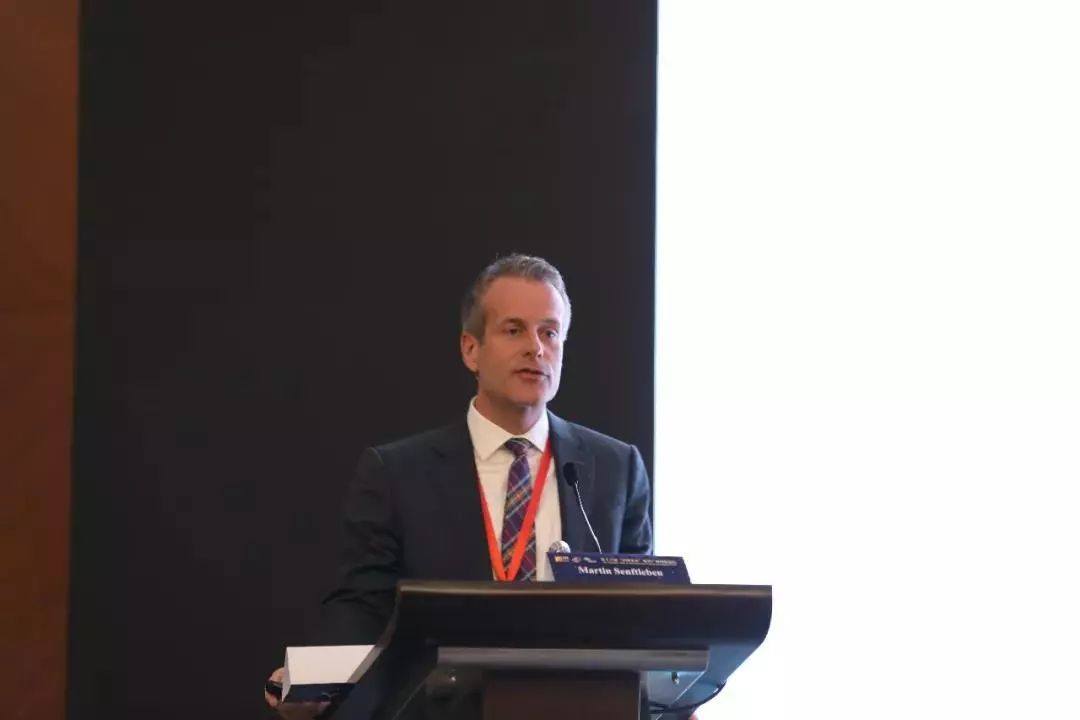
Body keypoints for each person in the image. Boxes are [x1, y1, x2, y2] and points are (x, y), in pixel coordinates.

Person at [265, 254, 653, 719]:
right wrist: (314, 683)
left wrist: (666, 701)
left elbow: (639, 615)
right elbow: (365, 606)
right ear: (471, 350)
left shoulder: (614, 468)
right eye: (514, 330)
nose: (536, 348)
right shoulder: (398, 473)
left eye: (549, 333)